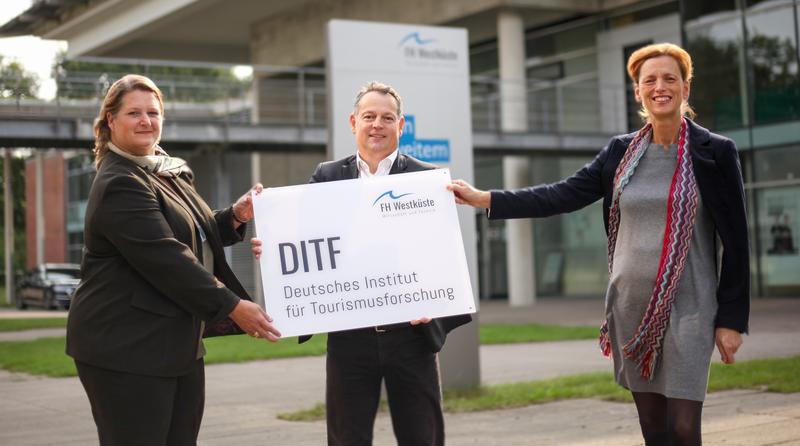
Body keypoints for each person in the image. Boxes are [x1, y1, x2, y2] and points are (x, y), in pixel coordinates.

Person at [449, 43, 749, 446]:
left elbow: (737, 240)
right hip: (630, 308)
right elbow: (561, 194)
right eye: (650, 80)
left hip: (691, 309)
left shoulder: (716, 152)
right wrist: (488, 199)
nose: (660, 86)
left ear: (685, 88)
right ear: (638, 92)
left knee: (682, 427)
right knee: (655, 431)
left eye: (669, 78)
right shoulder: (620, 153)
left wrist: (731, 319)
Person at [66, 74, 281, 446]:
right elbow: (167, 257)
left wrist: (235, 216)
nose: (146, 121)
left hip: (174, 343)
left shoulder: (163, 170)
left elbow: (192, 233)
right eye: (134, 113)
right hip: (126, 348)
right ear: (110, 122)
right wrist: (232, 306)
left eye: (153, 112)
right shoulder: (121, 182)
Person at [253, 81, 471, 446]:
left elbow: (444, 255)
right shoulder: (326, 177)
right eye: (369, 116)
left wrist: (435, 309)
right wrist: (273, 250)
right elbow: (305, 237)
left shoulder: (426, 179)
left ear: (401, 127)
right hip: (349, 338)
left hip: (412, 337)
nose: (377, 124)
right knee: (346, 438)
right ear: (353, 122)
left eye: (387, 118)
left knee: (423, 437)